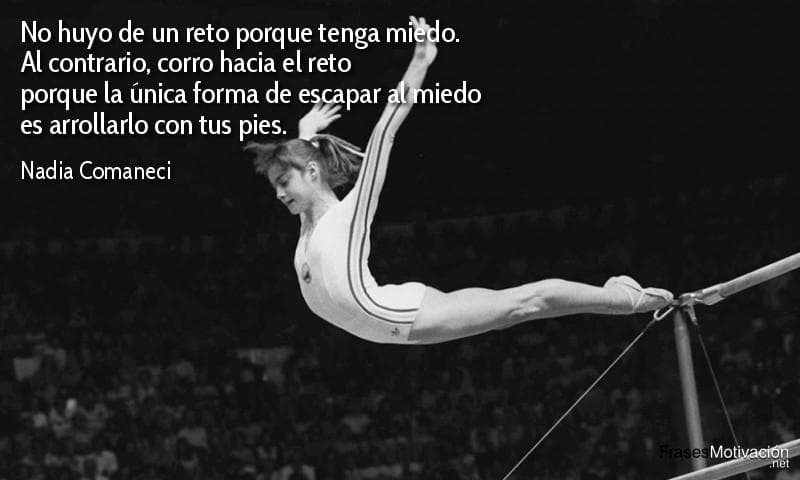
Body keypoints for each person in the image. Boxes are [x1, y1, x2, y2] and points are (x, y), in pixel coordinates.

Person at [246, 17, 673, 345]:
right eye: (275, 186)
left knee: (527, 303)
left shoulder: (349, 215)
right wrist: (304, 134)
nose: (279, 194)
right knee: (513, 306)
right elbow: (306, 171)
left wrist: (420, 61)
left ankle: (626, 300)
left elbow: (386, 128)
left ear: (313, 173)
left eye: (284, 182)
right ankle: (618, 294)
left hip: (401, 318)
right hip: (396, 307)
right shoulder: (309, 220)